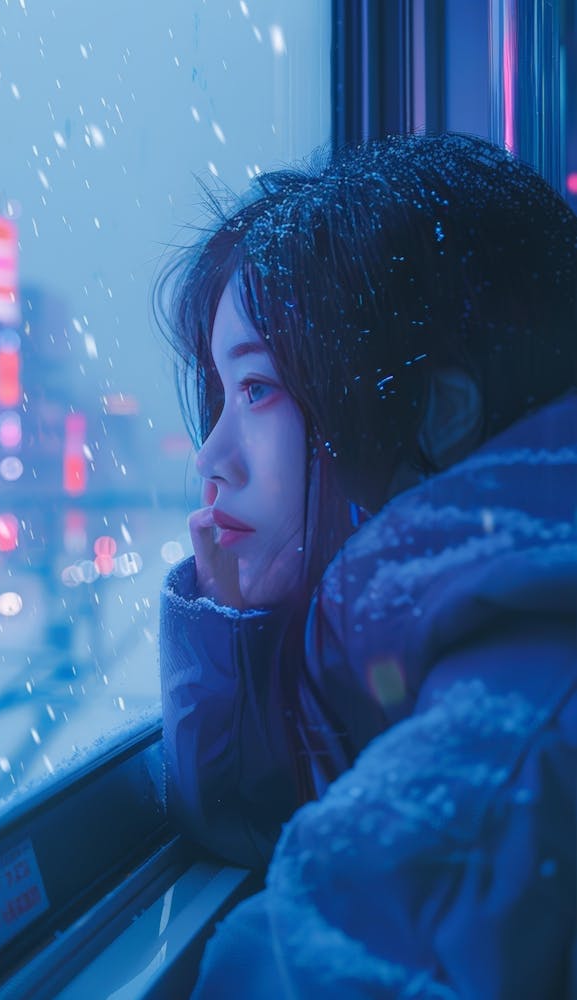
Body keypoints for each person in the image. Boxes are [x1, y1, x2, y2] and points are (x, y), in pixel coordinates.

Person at [155, 132, 577, 996]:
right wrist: (242, 628)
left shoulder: (505, 746)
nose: (211, 456)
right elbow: (273, 825)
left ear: (437, 413)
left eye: (259, 389)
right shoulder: (472, 637)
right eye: (221, 396)